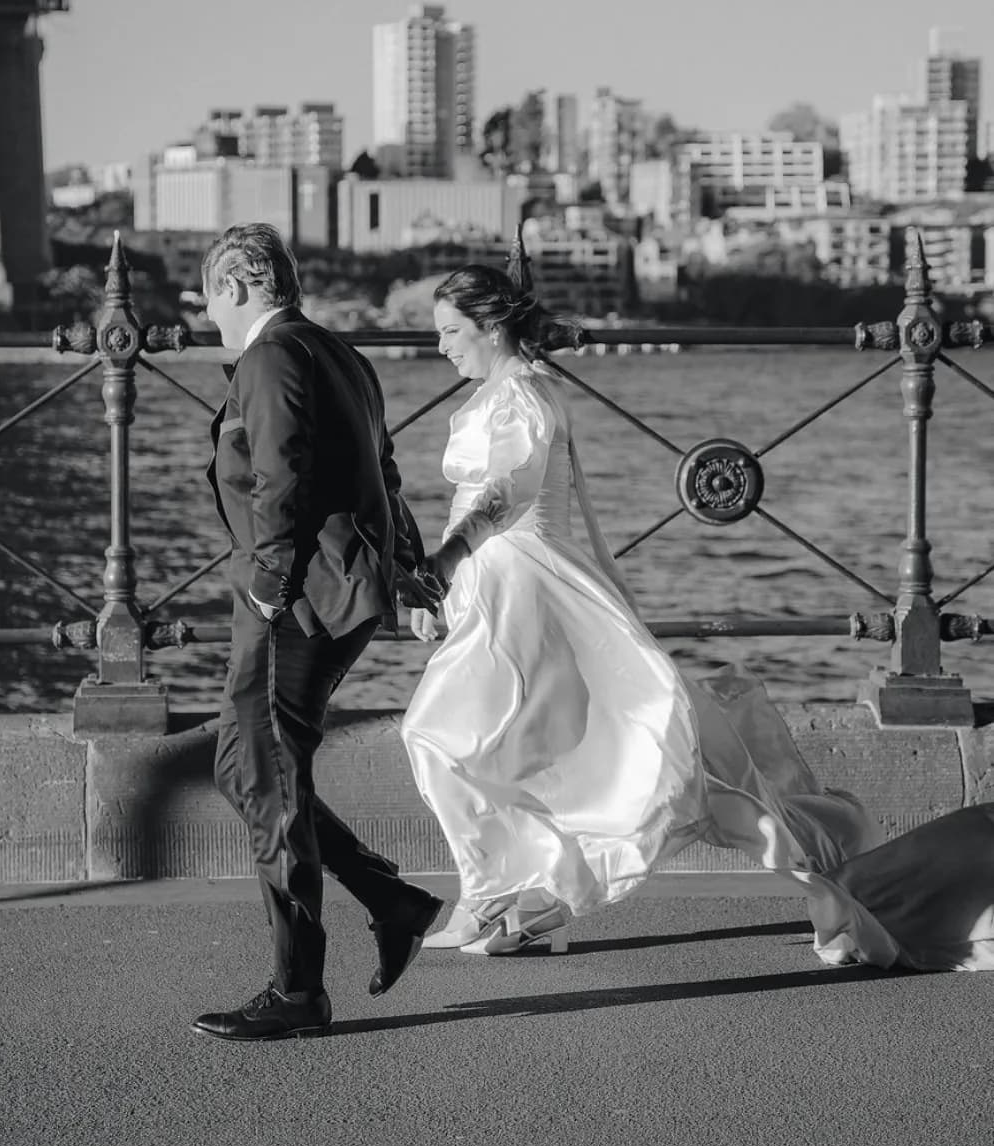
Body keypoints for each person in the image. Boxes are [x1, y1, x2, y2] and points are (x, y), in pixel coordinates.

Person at [400, 241, 994, 972]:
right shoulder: (506, 393)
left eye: (450, 331)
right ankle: (519, 901)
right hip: (498, 584)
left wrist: (441, 564)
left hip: (527, 584)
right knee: (510, 743)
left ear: (490, 327)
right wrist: (445, 586)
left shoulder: (522, 396)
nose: (439, 346)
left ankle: (501, 897)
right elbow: (479, 500)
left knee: (448, 735)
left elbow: (503, 494)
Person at [192, 224, 442, 1041]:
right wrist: (404, 571)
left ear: (235, 285)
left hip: (295, 599)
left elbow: (281, 479)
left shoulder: (267, 358)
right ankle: (388, 897)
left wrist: (265, 588)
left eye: (208, 298)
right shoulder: (341, 353)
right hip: (337, 588)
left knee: (265, 776)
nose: (207, 315)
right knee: (244, 764)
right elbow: (384, 470)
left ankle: (298, 989)